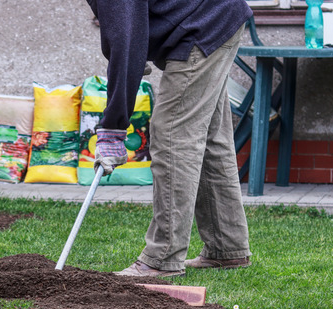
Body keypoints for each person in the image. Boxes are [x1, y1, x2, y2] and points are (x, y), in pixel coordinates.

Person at [87, 0, 253, 278]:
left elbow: (125, 39)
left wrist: (113, 127)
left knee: (173, 136)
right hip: (217, 18)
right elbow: (127, 30)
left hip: (203, 27)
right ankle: (227, 247)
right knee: (211, 141)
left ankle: (162, 257)